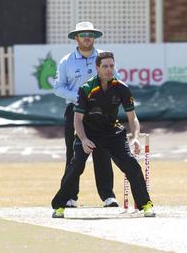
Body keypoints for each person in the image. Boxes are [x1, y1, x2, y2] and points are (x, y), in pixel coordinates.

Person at [51, 51, 154, 218]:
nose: (109, 69)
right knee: (75, 166)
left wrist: (135, 137)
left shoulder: (121, 88)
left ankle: (146, 204)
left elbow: (132, 117)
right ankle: (59, 205)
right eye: (105, 66)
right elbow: (77, 120)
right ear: (97, 68)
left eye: (111, 66)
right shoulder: (86, 89)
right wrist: (83, 139)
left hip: (112, 132)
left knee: (131, 164)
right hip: (88, 132)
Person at [53, 21, 118, 208]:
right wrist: (81, 98)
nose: (87, 37)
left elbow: (117, 79)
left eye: (90, 34)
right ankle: (70, 196)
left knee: (103, 152)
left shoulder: (104, 57)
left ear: (94, 37)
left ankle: (108, 196)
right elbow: (58, 88)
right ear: (76, 38)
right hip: (75, 111)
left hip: (102, 113)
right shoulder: (67, 61)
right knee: (74, 154)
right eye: (83, 34)